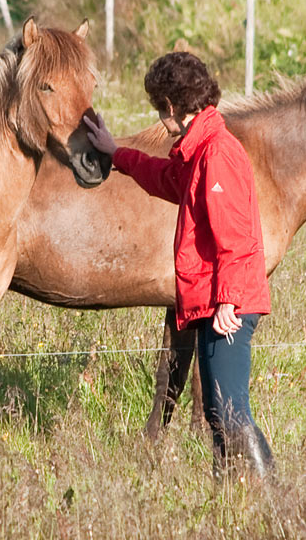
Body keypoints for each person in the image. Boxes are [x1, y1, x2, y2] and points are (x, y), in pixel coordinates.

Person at [82, 51, 274, 479]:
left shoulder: (218, 153)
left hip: (229, 304)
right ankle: (232, 495)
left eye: (158, 107)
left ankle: (271, 499)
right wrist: (116, 154)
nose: (160, 117)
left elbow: (236, 236)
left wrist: (228, 300)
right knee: (216, 411)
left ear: (171, 106)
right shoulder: (200, 150)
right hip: (213, 299)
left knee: (231, 409)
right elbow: (166, 181)